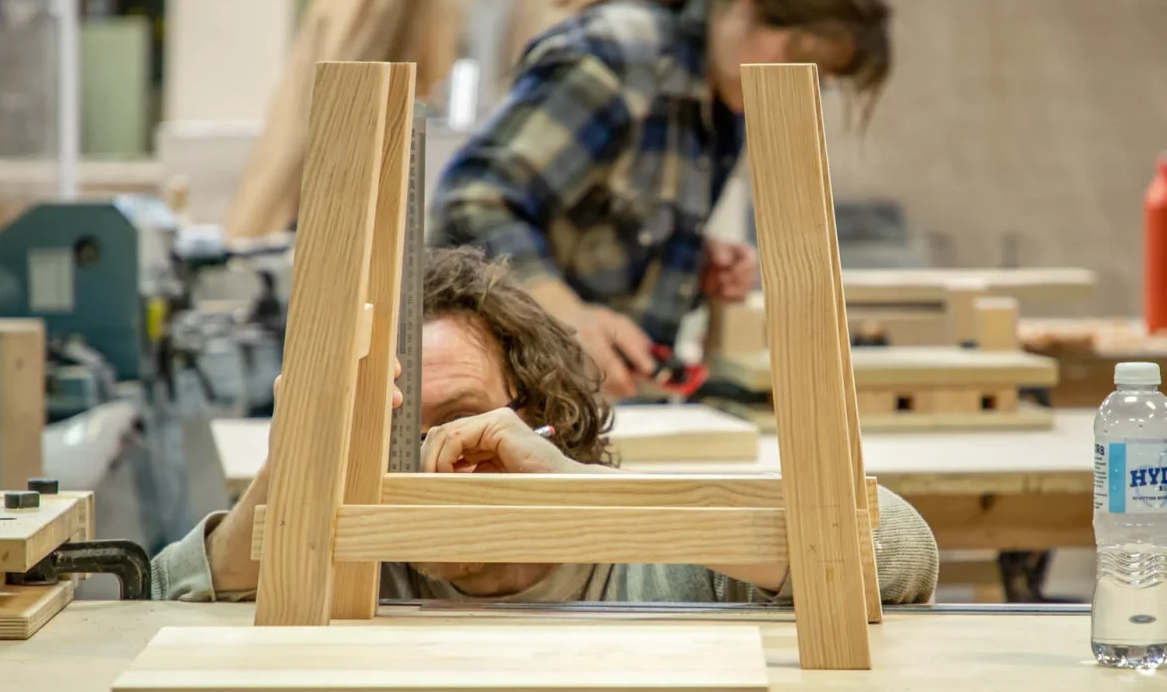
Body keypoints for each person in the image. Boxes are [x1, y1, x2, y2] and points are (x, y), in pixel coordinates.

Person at [152, 247, 936, 604]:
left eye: (460, 423)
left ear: (543, 423)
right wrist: (290, 468)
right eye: (399, 432)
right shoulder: (364, 572)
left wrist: (587, 501)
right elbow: (157, 599)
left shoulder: (656, 567)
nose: (429, 462)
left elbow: (902, 551)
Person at [429, 0, 891, 397]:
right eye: (797, 54)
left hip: (607, 402)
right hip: (513, 394)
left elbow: (606, 215)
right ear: (748, 0)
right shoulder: (624, 54)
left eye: (819, 77)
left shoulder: (723, 97)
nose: (797, 79)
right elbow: (474, 197)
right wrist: (567, 316)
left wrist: (691, 262)